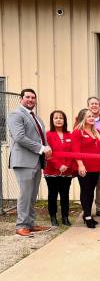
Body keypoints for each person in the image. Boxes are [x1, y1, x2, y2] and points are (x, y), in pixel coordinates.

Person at [7, 89, 52, 237]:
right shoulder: (16, 114)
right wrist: (41, 148)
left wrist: (46, 150)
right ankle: (21, 225)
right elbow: (20, 137)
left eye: (33, 97)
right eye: (27, 97)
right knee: (25, 194)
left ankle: (30, 224)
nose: (31, 100)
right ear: (21, 99)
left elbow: (40, 138)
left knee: (32, 195)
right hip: (23, 161)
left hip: (36, 161)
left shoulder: (36, 117)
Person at [72, 108, 100, 229]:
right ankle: (88, 216)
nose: (91, 118)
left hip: (95, 166)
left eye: (92, 116)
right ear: (82, 118)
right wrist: (80, 164)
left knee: (91, 191)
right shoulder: (77, 132)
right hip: (84, 167)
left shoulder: (96, 132)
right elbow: (75, 150)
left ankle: (87, 214)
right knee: (85, 191)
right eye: (88, 116)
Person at [45, 110, 75, 227]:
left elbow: (73, 152)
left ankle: (65, 217)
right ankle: (53, 218)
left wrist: (66, 165)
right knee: (52, 194)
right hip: (52, 171)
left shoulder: (70, 135)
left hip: (66, 171)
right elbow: (48, 154)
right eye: (56, 118)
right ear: (52, 120)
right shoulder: (47, 135)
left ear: (64, 120)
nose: (58, 120)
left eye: (61, 118)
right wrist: (59, 165)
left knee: (65, 195)